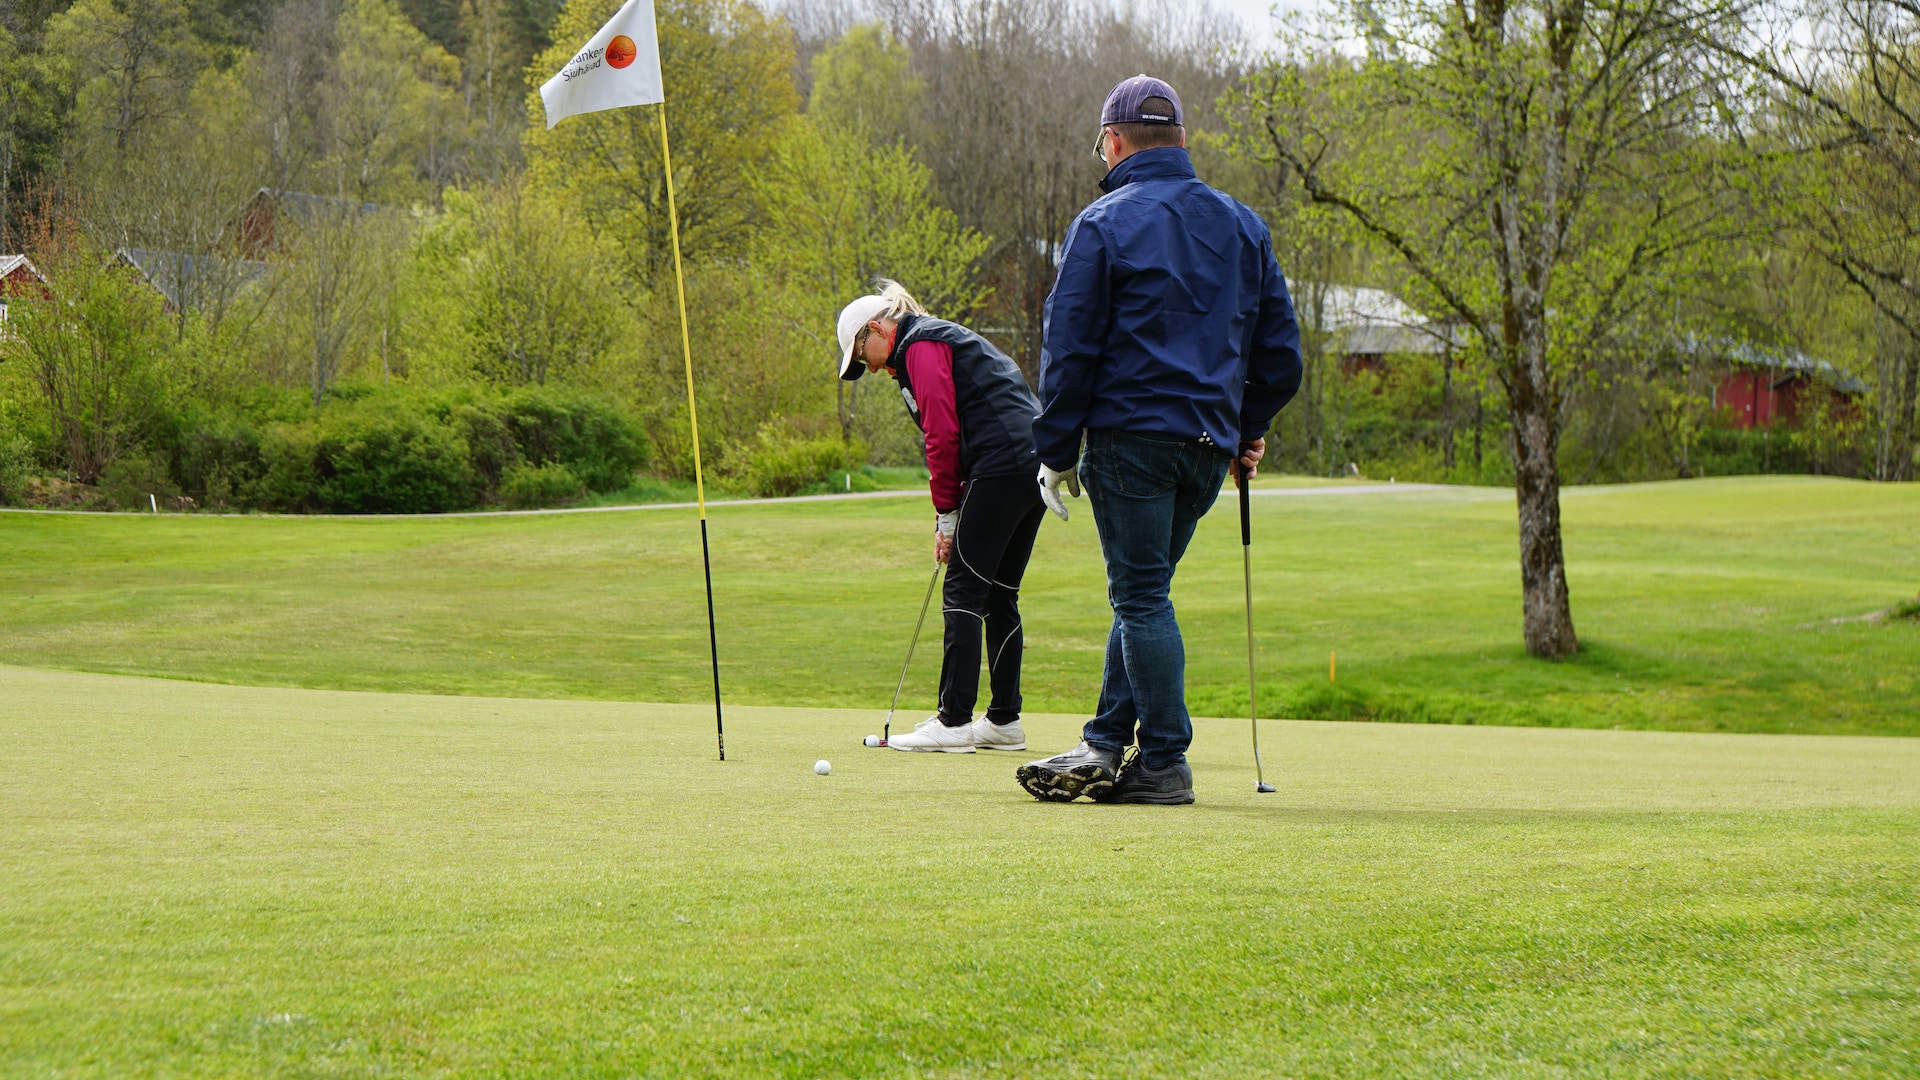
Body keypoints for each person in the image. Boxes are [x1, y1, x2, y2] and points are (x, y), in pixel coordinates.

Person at [1015, 75, 1303, 804]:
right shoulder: (1244, 224)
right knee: (1146, 594)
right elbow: (1281, 359)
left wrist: (1055, 448)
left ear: (1113, 144)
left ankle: (1165, 760)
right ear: (1181, 140)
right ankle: (1107, 741)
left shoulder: (1103, 220)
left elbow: (1070, 346)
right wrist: (1248, 429)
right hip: (1206, 447)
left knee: (1140, 596)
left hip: (1131, 439)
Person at [835, 281, 1047, 753]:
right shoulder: (933, 339)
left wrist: (946, 515)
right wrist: (948, 516)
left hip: (1001, 465)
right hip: (1031, 465)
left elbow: (943, 435)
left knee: (964, 590)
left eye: (861, 353)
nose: (867, 367)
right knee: (999, 594)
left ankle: (953, 723)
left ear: (876, 329)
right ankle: (1004, 722)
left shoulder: (920, 345)